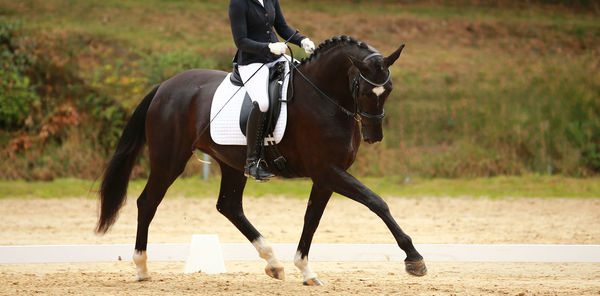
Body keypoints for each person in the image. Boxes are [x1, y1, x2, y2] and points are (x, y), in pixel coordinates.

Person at [229, 0, 315, 181]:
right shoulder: (238, 3)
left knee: (303, 81)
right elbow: (241, 41)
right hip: (251, 62)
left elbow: (282, 27)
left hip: (275, 58)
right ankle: (252, 162)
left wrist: (302, 40)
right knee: (262, 103)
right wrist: (268, 47)